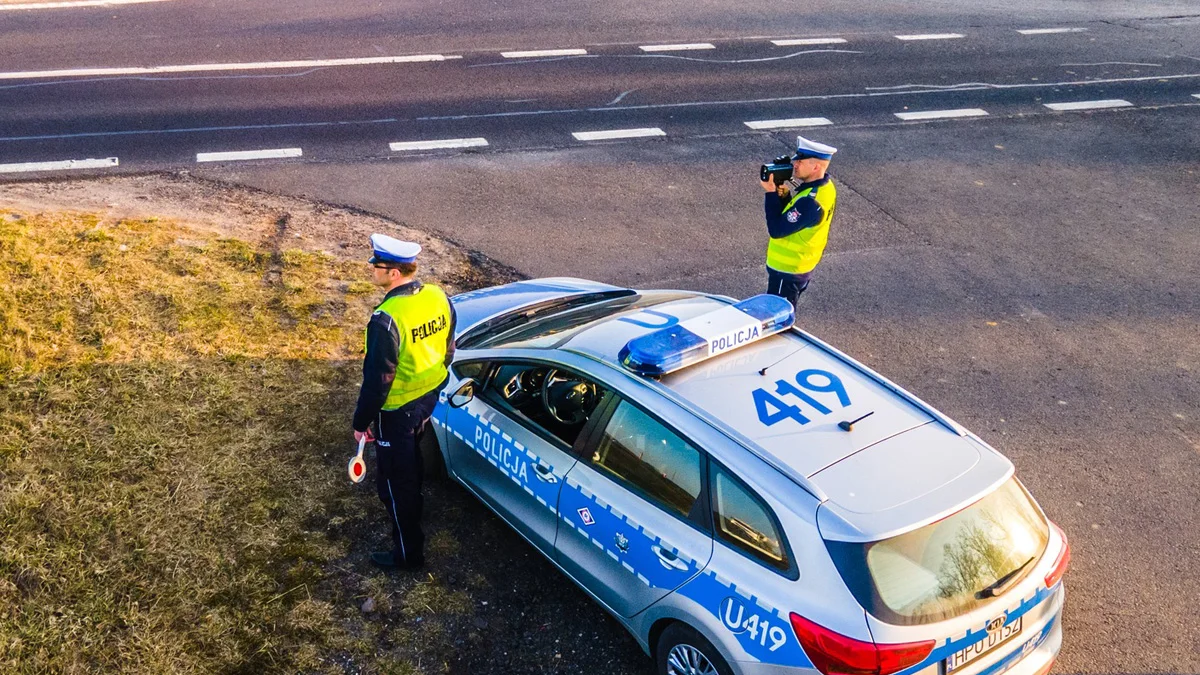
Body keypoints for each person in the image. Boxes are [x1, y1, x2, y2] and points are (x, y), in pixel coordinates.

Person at [352, 233, 455, 570]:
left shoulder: (387, 319)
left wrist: (361, 422)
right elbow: (448, 348)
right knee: (413, 455)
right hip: (428, 399)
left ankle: (408, 555)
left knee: (396, 483)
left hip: (396, 412)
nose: (372, 271)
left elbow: (377, 383)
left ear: (393, 274)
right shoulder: (438, 297)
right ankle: (415, 494)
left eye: (376, 267)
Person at [760, 135, 838, 312]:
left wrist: (771, 193)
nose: (795, 163)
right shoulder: (824, 188)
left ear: (816, 166)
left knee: (777, 317)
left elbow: (777, 229)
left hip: (788, 271)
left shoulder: (810, 201)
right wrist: (784, 197)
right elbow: (798, 219)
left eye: (801, 161)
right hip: (798, 267)